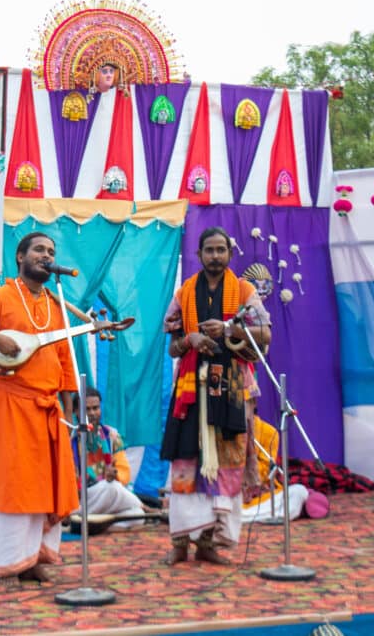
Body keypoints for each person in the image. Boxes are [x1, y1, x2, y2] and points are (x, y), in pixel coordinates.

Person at [0, 232, 79, 587]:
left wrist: (68, 410)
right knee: (14, 485)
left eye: (52, 252)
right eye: (39, 250)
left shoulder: (56, 307)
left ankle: (32, 560)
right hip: (9, 403)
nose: (46, 255)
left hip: (47, 409)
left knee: (44, 486)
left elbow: (64, 361)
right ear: (20, 256)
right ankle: (6, 564)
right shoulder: (0, 297)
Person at [160, 227, 271, 565]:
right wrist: (191, 340)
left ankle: (208, 543)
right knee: (186, 461)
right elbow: (172, 346)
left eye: (221, 250)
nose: (215, 256)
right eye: (209, 250)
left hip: (233, 388)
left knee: (227, 463)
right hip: (191, 389)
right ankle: (180, 542)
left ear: (230, 254)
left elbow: (264, 334)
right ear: (199, 253)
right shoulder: (185, 293)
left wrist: (228, 329)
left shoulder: (244, 290)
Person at [71, 387, 151, 530]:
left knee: (136, 516)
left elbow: (124, 473)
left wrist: (115, 474)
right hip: (84, 500)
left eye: (95, 408)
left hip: (110, 497)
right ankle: (145, 508)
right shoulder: (69, 440)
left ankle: (98, 525)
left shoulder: (111, 435)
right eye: (86, 409)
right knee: (110, 488)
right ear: (76, 412)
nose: (92, 413)